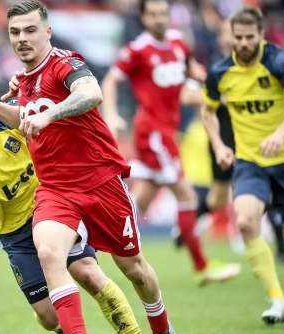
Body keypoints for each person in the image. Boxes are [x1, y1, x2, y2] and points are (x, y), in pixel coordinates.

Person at [0, 0, 182, 334]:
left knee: (135, 270)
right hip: (55, 188)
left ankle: (163, 330)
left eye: (30, 30)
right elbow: (26, 118)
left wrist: (50, 115)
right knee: (49, 253)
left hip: (101, 182)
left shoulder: (64, 63)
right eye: (15, 32)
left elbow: (92, 94)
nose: (22, 38)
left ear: (47, 32)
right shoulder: (22, 79)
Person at [0, 88, 169, 334]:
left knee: (89, 274)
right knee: (48, 316)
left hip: (57, 209)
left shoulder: (8, 117)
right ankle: (61, 329)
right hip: (17, 235)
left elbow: (54, 115)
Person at [100, 0, 241, 286]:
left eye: (163, 13)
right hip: (153, 134)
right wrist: (111, 115)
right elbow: (110, 81)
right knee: (187, 196)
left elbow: (190, 71)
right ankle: (201, 265)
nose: (159, 19)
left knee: (141, 199)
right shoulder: (138, 50)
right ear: (143, 18)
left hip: (167, 131)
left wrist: (205, 80)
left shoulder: (178, 43)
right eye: (153, 14)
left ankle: (97, 240)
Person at [200, 7, 284, 324]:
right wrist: (219, 145)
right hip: (250, 161)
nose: (243, 43)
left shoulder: (277, 61)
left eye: (249, 37)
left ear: (261, 35)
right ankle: (278, 300)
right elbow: (207, 111)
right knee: (246, 221)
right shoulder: (220, 72)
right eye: (238, 37)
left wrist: (279, 134)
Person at [177, 19, 284, 268]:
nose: (236, 39)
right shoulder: (212, 68)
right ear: (223, 38)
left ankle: (282, 249)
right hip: (223, 141)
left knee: (267, 191)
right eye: (229, 34)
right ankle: (184, 231)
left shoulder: (258, 64)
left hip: (252, 139)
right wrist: (216, 97)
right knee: (217, 200)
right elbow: (185, 94)